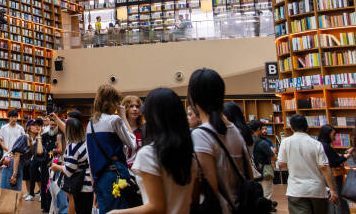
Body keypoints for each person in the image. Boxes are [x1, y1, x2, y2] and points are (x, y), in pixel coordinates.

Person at [112, 88, 196, 214]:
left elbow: (157, 207)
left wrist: (115, 213)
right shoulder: (190, 156)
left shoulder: (149, 155)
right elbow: (193, 198)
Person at [188, 68, 255, 214]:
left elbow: (210, 188)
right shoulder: (234, 130)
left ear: (193, 98)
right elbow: (249, 175)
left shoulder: (201, 134)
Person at [85, 84, 138, 212]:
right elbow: (133, 144)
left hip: (99, 176)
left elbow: (90, 157)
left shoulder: (90, 124)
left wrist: (95, 186)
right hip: (115, 174)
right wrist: (123, 117)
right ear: (113, 102)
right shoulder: (114, 120)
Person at [278, 114, 339, 214]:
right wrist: (332, 190)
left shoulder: (285, 142)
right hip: (317, 190)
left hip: (296, 190)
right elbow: (324, 167)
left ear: (291, 128)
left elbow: (281, 163)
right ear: (307, 127)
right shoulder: (316, 144)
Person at [50, 117, 93, 214]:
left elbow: (70, 169)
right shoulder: (86, 142)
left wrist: (57, 167)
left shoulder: (73, 146)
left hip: (80, 185)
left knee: (80, 209)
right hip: (88, 183)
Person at [318, 125, 349, 214]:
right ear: (327, 134)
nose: (334, 137)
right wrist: (345, 157)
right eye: (333, 134)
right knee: (337, 198)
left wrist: (342, 156)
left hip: (326, 176)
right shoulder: (326, 146)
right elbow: (333, 162)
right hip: (332, 175)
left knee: (332, 199)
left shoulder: (320, 144)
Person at [250, 120, 277, 207]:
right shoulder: (262, 142)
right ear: (258, 129)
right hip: (264, 172)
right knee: (266, 195)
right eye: (262, 129)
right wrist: (273, 151)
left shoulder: (246, 140)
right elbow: (274, 157)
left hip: (251, 171)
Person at [41, 113, 64, 212]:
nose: (52, 127)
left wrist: (54, 151)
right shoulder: (45, 135)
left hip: (56, 164)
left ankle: (54, 207)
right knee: (45, 185)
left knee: (54, 187)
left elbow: (60, 150)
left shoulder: (60, 136)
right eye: (50, 125)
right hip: (45, 163)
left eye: (54, 125)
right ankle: (45, 206)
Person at [23, 118, 45, 201]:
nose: (37, 127)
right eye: (34, 125)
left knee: (39, 177)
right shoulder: (26, 137)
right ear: (29, 127)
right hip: (27, 160)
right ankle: (29, 192)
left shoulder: (42, 136)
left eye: (39, 125)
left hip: (39, 161)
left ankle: (42, 194)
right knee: (26, 175)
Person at [122, 95, 144, 168]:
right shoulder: (119, 128)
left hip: (139, 170)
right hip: (123, 170)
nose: (135, 109)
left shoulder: (144, 129)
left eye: (137, 107)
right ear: (125, 109)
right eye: (131, 106)